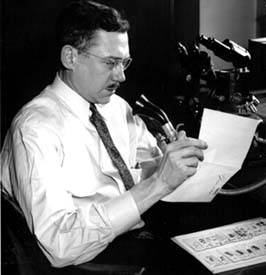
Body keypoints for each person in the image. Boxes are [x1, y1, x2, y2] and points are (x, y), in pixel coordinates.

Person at [0, 0, 207, 268]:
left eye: (124, 62)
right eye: (110, 62)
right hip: (85, 262)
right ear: (70, 57)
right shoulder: (35, 129)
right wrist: (159, 183)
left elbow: (151, 161)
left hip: (135, 237)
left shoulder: (116, 108)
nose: (120, 76)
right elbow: (59, 245)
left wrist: (173, 159)